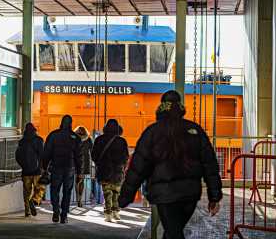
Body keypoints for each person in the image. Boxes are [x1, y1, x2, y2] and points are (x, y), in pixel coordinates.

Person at [118, 90, 222, 239]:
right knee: (174, 231)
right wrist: (214, 196)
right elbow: (209, 165)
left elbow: (138, 167)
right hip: (190, 195)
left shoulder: (152, 132)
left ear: (162, 108)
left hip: (165, 195)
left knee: (173, 232)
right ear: (180, 107)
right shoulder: (195, 130)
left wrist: (125, 196)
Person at [44, 115, 82, 224]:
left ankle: (56, 211)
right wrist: (80, 172)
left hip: (56, 167)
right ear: (71, 123)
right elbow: (79, 157)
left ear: (61, 122)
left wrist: (44, 167)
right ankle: (64, 216)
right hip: (70, 168)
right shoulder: (75, 137)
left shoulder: (53, 135)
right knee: (67, 192)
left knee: (54, 190)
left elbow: (47, 152)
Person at [92, 119, 129, 222]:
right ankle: (116, 212)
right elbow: (126, 157)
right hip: (117, 171)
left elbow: (93, 155)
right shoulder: (121, 141)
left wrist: (100, 163)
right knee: (116, 193)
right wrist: (122, 166)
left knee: (107, 193)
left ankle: (108, 213)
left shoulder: (99, 140)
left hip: (104, 170)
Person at [15, 123, 47, 217]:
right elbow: (42, 155)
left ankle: (27, 211)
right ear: (34, 130)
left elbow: (18, 156)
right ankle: (34, 200)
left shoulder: (22, 141)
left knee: (26, 191)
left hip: (25, 171)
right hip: (37, 171)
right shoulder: (39, 140)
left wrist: (23, 166)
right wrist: (43, 168)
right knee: (40, 188)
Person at [74, 126, 93, 207]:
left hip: (75, 161)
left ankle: (78, 198)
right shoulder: (88, 139)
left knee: (77, 180)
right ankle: (79, 198)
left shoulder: (74, 138)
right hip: (84, 162)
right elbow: (92, 151)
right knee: (80, 180)